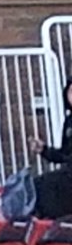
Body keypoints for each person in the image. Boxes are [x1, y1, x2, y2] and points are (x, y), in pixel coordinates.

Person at [34, 78, 72, 219]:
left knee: (48, 185)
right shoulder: (69, 122)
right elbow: (63, 154)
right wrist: (44, 150)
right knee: (38, 184)